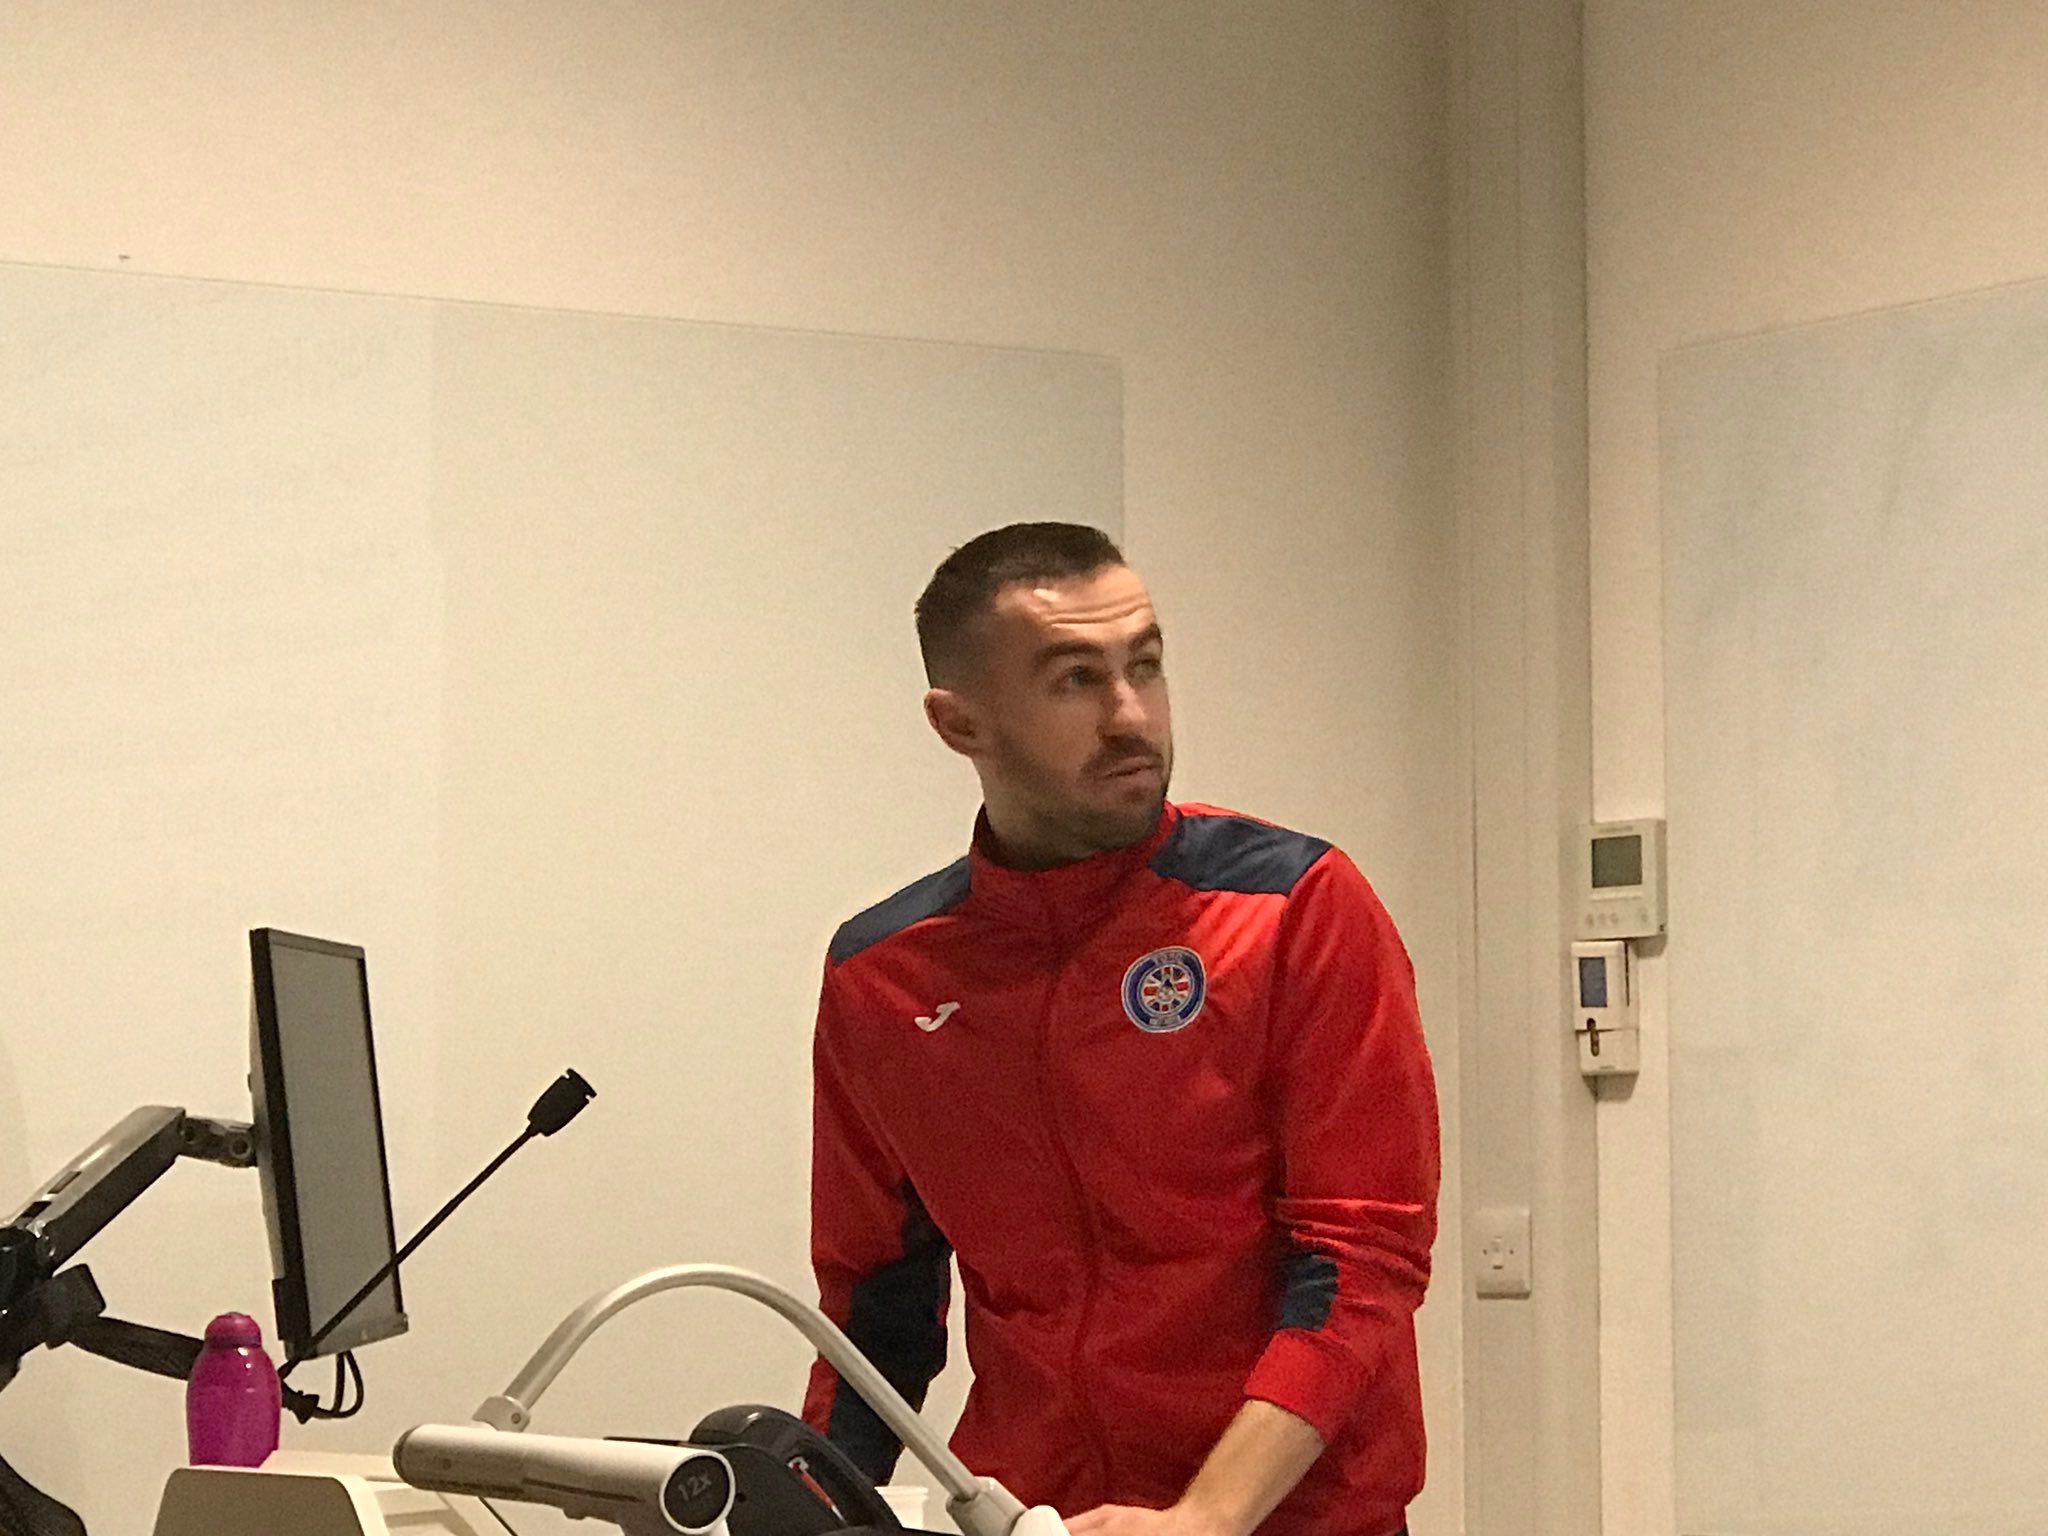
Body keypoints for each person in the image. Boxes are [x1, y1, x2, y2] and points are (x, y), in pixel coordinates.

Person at [802, 523, 1438, 1536]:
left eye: (1144, 666)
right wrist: (811, 1509)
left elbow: (1361, 1262)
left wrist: (1206, 1516)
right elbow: (875, 1306)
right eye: (1076, 681)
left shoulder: (1294, 907)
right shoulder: (881, 975)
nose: (1131, 715)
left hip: (1291, 1519)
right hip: (1036, 1517)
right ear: (959, 723)